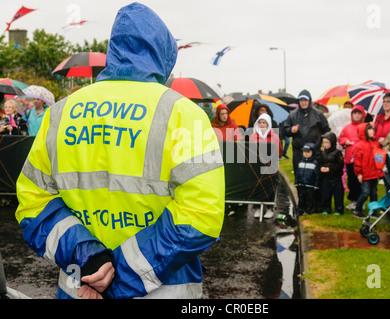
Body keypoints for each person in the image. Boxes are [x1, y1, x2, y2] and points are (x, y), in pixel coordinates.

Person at [15, 2, 225, 299]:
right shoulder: (183, 114)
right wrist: (121, 276)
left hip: (81, 288)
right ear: (164, 55)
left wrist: (90, 259)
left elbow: (33, 204)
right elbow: (201, 215)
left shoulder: (60, 114)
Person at [283, 89, 330, 175]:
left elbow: (327, 131)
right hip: (298, 151)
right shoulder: (292, 115)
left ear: (309, 101)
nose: (303, 102)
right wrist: (291, 130)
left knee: (314, 175)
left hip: (315, 151)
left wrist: (325, 145)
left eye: (305, 100)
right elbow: (285, 130)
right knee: (299, 175)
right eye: (301, 100)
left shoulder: (318, 114)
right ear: (298, 101)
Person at [250, 113, 282, 219]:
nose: (262, 125)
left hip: (270, 165)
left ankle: (269, 208)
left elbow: (279, 151)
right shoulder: (252, 137)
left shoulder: (275, 137)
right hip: (256, 166)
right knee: (257, 186)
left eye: (264, 123)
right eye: (260, 122)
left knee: (269, 186)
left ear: (268, 124)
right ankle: (257, 207)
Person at [352, 123, 384, 218]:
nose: (372, 131)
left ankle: (373, 212)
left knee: (374, 193)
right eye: (369, 129)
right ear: (363, 132)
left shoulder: (375, 144)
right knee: (365, 193)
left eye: (373, 129)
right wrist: (359, 173)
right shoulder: (359, 146)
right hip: (365, 174)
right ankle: (357, 210)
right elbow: (357, 161)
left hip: (374, 174)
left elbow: (379, 157)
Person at [338, 105, 366, 210]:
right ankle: (353, 200)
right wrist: (345, 141)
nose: (357, 115)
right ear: (352, 115)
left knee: (360, 181)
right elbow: (341, 137)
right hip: (350, 159)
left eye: (359, 113)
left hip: (361, 159)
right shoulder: (347, 127)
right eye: (355, 113)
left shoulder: (364, 127)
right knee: (351, 180)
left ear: (362, 115)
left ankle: (360, 201)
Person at [318, 132, 345, 215]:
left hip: (335, 177)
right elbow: (320, 162)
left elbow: (340, 165)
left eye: (327, 142)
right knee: (326, 194)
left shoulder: (337, 153)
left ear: (332, 142)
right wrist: (321, 167)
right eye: (324, 142)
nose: (325, 144)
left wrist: (330, 169)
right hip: (326, 177)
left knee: (338, 194)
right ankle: (326, 208)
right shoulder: (323, 153)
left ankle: (339, 209)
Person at [295, 143, 319, 216]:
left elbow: (317, 176)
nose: (306, 154)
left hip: (310, 185)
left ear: (313, 152)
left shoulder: (315, 163)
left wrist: (316, 185)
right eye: (304, 152)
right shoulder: (300, 163)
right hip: (301, 184)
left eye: (308, 152)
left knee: (310, 199)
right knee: (301, 198)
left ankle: (310, 211)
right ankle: (300, 210)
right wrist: (296, 182)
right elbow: (297, 174)